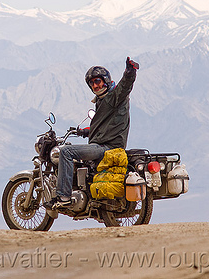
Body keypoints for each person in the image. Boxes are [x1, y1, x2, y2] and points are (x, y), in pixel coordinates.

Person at [45, 57, 139, 209]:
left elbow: (125, 86)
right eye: (92, 83)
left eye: (97, 81)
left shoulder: (114, 97)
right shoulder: (102, 100)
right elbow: (105, 127)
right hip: (104, 144)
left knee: (67, 152)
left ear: (106, 80)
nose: (95, 86)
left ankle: (63, 197)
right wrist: (83, 132)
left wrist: (130, 71)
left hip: (107, 148)